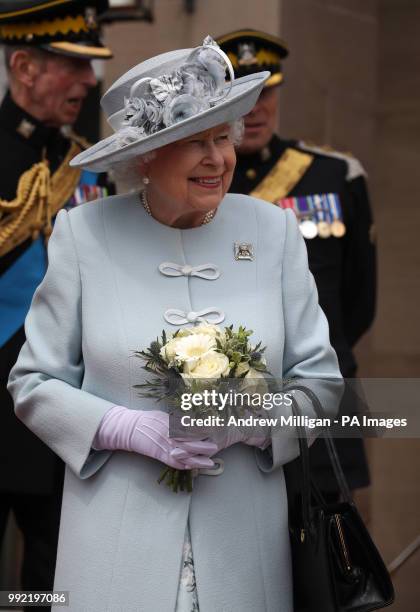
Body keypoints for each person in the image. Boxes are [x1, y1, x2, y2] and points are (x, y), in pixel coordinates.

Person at [8, 37, 342, 611]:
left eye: (222, 137)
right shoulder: (84, 234)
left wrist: (252, 422)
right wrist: (120, 428)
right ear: (147, 156)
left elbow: (323, 384)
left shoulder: (272, 231)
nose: (217, 159)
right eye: (193, 143)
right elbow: (33, 383)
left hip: (245, 545)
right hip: (114, 542)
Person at [217, 29, 376, 500]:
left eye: (267, 92)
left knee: (331, 558)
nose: (258, 108)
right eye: (243, 95)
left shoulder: (334, 175)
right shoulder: (198, 180)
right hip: (227, 405)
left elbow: (359, 300)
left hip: (319, 399)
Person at [0, 0, 112, 600]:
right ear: (23, 66)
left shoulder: (90, 166)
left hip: (59, 415)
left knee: (54, 587)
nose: (89, 81)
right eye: (73, 64)